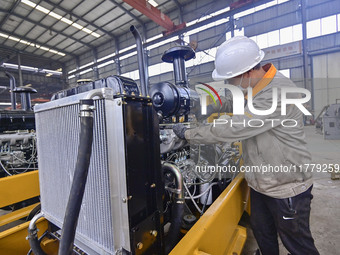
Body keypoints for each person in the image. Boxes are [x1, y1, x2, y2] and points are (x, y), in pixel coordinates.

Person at [173, 36, 319, 255]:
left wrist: (188, 134)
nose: (231, 84)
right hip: (261, 183)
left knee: (298, 244)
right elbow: (235, 100)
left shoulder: (278, 93)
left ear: (248, 72)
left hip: (286, 187)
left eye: (231, 79)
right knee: (263, 232)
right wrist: (209, 106)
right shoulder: (258, 85)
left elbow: (234, 127)